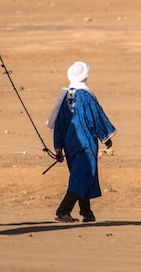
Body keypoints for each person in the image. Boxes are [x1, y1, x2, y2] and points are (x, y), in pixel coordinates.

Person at [46, 60, 116, 223]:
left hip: (69, 145)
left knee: (80, 176)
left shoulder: (65, 98)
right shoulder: (87, 97)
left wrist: (58, 148)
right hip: (85, 144)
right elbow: (97, 117)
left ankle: (87, 212)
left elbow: (59, 123)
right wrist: (106, 137)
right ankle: (63, 210)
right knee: (83, 175)